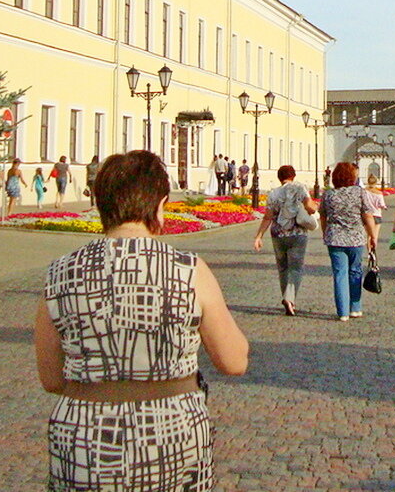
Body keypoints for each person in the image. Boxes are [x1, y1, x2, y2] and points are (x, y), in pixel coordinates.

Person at [37, 150, 248, 489]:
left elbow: (50, 377)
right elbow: (234, 360)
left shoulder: (60, 272)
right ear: (160, 203)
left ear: (100, 202)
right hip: (171, 436)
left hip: (82, 439)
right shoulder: (188, 269)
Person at [254, 165, 317, 316]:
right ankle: (290, 299)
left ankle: (287, 299)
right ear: (293, 176)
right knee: (296, 267)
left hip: (278, 234)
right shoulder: (300, 187)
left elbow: (268, 217)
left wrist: (259, 236)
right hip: (297, 233)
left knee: (283, 268)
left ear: (279, 178)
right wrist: (313, 209)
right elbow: (310, 206)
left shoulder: (273, 193)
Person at [319, 162, 378, 320]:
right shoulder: (359, 193)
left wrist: (325, 232)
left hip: (335, 238)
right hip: (356, 238)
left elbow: (323, 216)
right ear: (352, 177)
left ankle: (342, 312)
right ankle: (355, 307)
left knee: (340, 274)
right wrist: (372, 235)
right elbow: (367, 215)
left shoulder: (329, 194)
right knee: (355, 271)